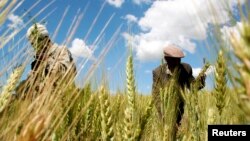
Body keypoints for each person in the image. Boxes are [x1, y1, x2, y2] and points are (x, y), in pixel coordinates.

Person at [17, 23, 76, 98]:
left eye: (36, 42)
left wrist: (47, 61)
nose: (34, 46)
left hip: (58, 102)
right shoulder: (37, 59)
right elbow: (34, 86)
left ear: (45, 38)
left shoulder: (61, 50)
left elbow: (67, 73)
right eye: (32, 43)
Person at [152, 44, 206, 125]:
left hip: (179, 109)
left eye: (179, 59)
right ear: (166, 59)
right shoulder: (158, 72)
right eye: (174, 60)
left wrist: (201, 80)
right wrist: (163, 113)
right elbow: (156, 95)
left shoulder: (186, 69)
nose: (177, 62)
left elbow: (193, 87)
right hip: (164, 110)